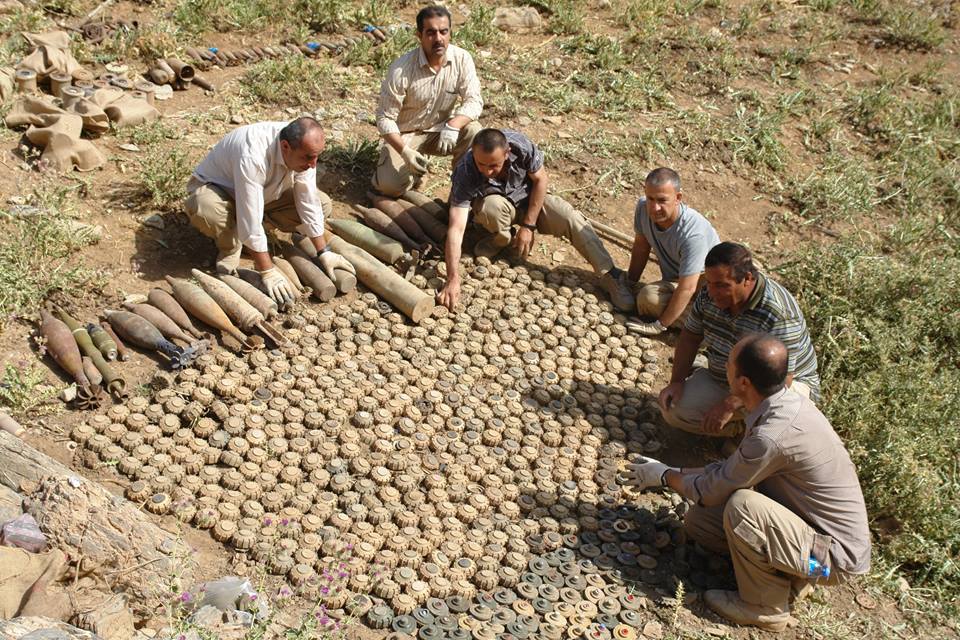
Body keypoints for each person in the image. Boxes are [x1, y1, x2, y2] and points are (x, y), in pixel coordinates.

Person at [626, 334, 870, 631]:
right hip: (815, 540)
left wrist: (664, 476)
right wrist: (675, 469)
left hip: (829, 564)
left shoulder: (772, 435)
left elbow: (710, 489)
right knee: (701, 522)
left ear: (743, 383)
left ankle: (765, 607)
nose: (723, 367)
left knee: (743, 507)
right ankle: (786, 574)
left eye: (728, 364)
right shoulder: (781, 405)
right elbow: (728, 472)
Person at [436, 128, 635, 312]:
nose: (487, 171)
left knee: (570, 218)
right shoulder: (466, 170)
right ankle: (499, 242)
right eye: (481, 164)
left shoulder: (521, 147)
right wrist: (453, 278)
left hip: (528, 200)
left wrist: (528, 226)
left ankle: (610, 275)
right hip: (495, 208)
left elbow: (541, 180)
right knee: (491, 210)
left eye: (494, 165)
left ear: (507, 153)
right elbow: (456, 228)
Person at [184, 117, 354, 305]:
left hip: (263, 194)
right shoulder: (253, 154)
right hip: (221, 193)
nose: (314, 164)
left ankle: (255, 239)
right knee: (205, 209)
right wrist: (267, 271)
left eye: (317, 156)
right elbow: (249, 213)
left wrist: (324, 252)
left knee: (322, 204)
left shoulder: (304, 150)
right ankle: (231, 245)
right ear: (286, 146)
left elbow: (308, 200)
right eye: (308, 157)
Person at [659, 241, 820, 437]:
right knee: (675, 410)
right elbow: (690, 337)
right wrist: (677, 381)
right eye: (709, 283)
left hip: (778, 386)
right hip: (729, 377)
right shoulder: (708, 294)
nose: (712, 292)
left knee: (782, 423)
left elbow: (782, 381)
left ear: (747, 279)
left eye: (722, 286)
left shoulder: (778, 314)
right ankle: (739, 429)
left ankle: (752, 431)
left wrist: (730, 404)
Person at [372, 5, 483, 197]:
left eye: (443, 32)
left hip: (440, 131)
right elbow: (384, 118)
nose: (438, 38)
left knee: (473, 130)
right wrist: (405, 151)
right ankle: (407, 171)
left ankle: (461, 191)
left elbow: (474, 101)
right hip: (406, 135)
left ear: (450, 33)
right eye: (431, 33)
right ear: (419, 35)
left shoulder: (462, 59)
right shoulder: (401, 69)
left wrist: (454, 125)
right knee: (390, 187)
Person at [626, 168, 719, 336]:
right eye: (650, 198)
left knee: (652, 301)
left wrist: (659, 326)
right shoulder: (642, 208)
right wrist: (630, 283)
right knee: (647, 299)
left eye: (662, 200)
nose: (655, 208)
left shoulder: (693, 233)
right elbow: (641, 247)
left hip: (706, 287)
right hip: (677, 280)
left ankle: (708, 328)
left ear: (678, 198)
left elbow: (688, 288)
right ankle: (689, 315)